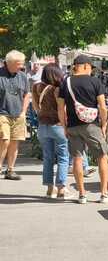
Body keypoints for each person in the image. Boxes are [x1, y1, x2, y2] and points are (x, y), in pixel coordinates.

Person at [57, 54, 108, 204]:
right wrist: (104, 124)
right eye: (91, 68)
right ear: (86, 66)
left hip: (73, 126)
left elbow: (60, 108)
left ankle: (82, 195)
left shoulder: (65, 82)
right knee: (102, 156)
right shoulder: (94, 81)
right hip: (92, 125)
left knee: (77, 158)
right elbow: (102, 106)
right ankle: (104, 194)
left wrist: (64, 126)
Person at [32, 63, 69, 199]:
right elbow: (62, 110)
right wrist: (65, 125)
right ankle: (61, 189)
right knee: (63, 157)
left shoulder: (36, 87)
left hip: (43, 126)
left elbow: (36, 107)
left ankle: (49, 189)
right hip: (58, 125)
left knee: (48, 158)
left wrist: (43, 115)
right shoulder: (58, 89)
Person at [0, 49, 31, 181]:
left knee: (14, 141)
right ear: (9, 63)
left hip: (18, 114)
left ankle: (10, 170)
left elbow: (27, 94)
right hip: (2, 113)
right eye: (19, 64)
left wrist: (23, 111)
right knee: (4, 140)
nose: (21, 66)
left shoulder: (22, 76)